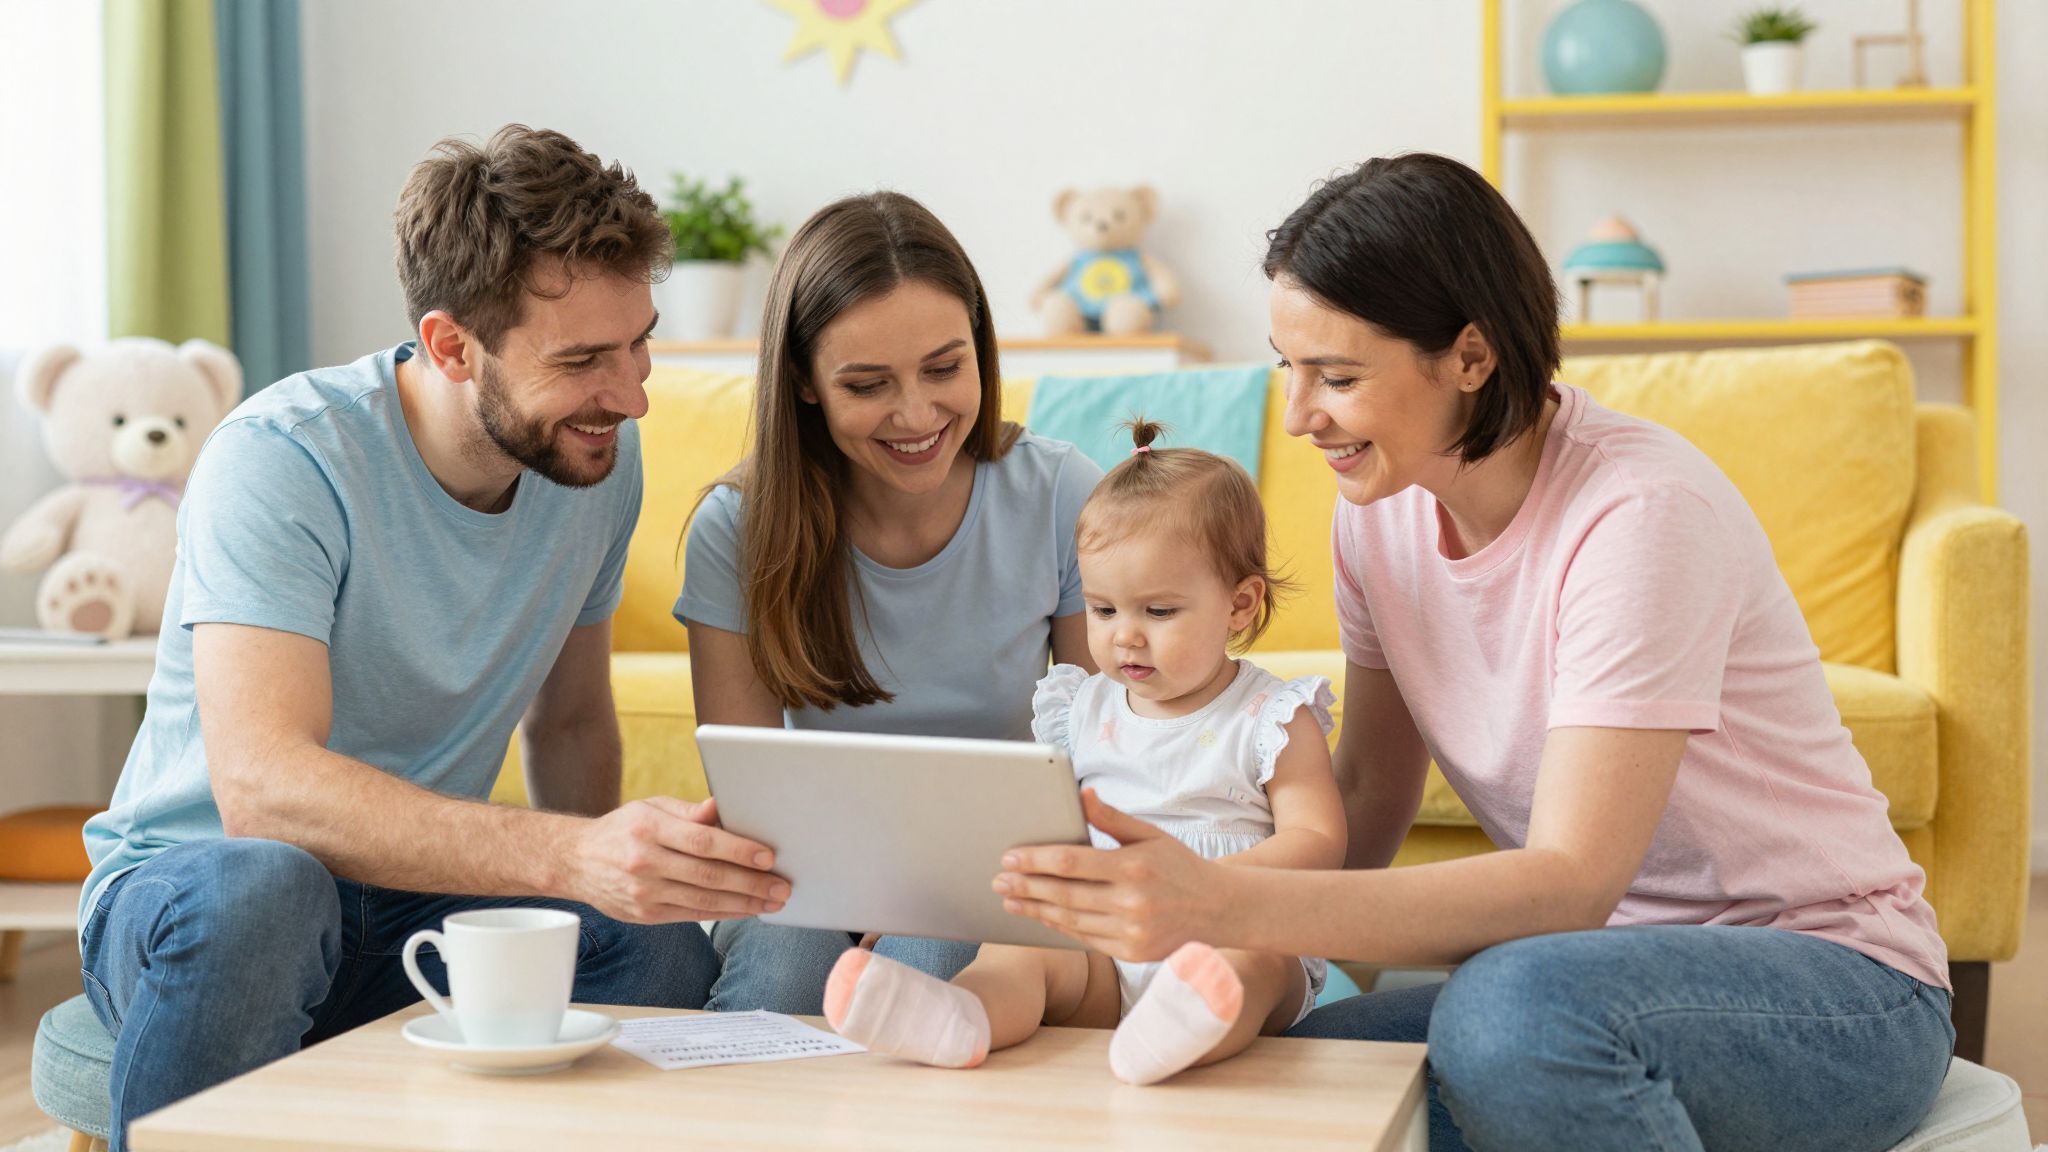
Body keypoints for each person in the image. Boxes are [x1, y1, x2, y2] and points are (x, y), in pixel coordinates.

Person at [992, 154, 1953, 1151]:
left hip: (1834, 988)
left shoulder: (1638, 515)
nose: (1298, 415)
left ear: (1470, 356)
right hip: (1583, 975)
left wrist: (1224, 899)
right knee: (1286, 1070)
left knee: (1507, 1012)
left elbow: (1570, 881)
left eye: (1338, 377)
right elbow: (1367, 791)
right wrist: (1234, 954)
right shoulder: (1378, 513)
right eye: (1288, 366)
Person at [76, 125, 785, 1149]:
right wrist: (571, 855)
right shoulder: (283, 459)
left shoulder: (593, 462)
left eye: (638, 343)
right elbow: (263, 792)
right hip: (200, 891)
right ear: (451, 345)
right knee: (267, 891)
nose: (630, 396)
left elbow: (571, 722)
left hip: (412, 907)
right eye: (583, 360)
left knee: (658, 948)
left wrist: (612, 880)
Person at [678, 190, 1104, 1013]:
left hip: (1002, 875)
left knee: (926, 959)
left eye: (944, 368)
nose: (917, 414)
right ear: (804, 382)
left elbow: (1109, 753)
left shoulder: (1059, 494)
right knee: (782, 974)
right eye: (868, 384)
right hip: (803, 877)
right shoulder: (737, 528)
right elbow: (752, 801)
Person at [820, 419, 1344, 1085]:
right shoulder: (1078, 708)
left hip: (1230, 923)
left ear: (1239, 605)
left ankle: (1182, 1031)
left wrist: (1206, 885)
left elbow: (1318, 840)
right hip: (1105, 939)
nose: (1126, 637)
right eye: (1103, 610)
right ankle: (963, 1016)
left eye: (1158, 612)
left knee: (1252, 966)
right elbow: (1038, 835)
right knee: (1022, 951)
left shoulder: (1271, 714)